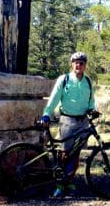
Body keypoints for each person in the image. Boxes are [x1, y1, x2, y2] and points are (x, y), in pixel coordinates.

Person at [41, 51, 96, 197]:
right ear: (72, 64)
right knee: (65, 153)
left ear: (85, 65)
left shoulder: (88, 81)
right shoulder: (64, 79)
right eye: (76, 62)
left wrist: (92, 109)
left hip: (83, 121)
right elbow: (54, 98)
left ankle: (70, 182)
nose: (79, 65)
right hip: (67, 120)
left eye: (82, 63)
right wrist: (47, 113)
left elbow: (91, 100)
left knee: (76, 154)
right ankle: (60, 185)